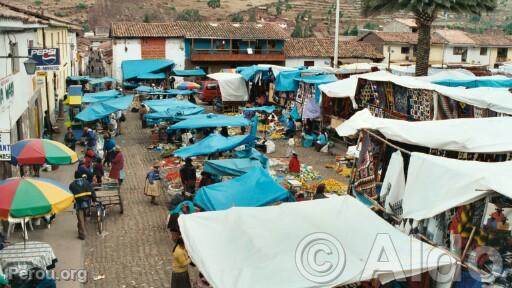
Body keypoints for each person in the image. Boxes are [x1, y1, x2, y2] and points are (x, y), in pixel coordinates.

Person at [69, 172, 95, 240]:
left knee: (81, 220)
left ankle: (82, 234)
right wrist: (94, 200)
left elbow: (70, 195)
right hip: (87, 204)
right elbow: (92, 192)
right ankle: (80, 230)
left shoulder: (72, 185)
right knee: (84, 219)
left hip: (78, 205)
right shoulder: (86, 182)